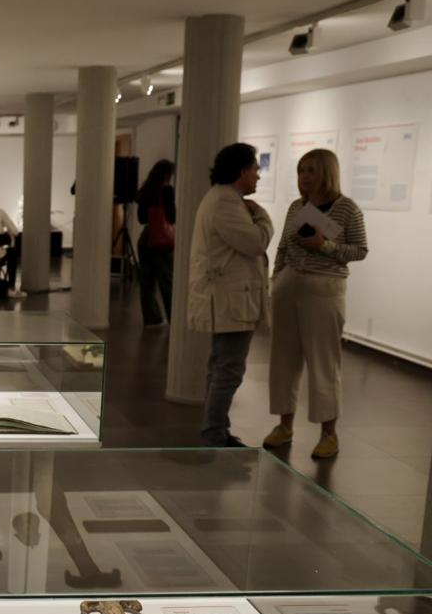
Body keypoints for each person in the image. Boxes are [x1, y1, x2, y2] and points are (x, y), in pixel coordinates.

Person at [263, 149, 368, 459]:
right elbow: (283, 246)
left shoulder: (347, 209)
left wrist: (325, 244)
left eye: (310, 170)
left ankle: (328, 434)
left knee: (324, 362)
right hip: (289, 285)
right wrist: (277, 278)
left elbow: (360, 250)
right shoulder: (298, 206)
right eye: (300, 171)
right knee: (283, 359)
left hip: (325, 287)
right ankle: (284, 425)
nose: (304, 177)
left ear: (327, 173)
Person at [186, 142, 274, 448]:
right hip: (231, 301)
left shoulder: (223, 199)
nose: (258, 177)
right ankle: (214, 432)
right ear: (241, 171)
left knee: (221, 365)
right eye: (255, 170)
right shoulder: (226, 202)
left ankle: (217, 427)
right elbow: (254, 242)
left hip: (229, 299)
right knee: (229, 368)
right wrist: (263, 217)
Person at [135, 160, 176, 326]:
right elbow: (172, 217)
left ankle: (151, 318)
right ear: (167, 175)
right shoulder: (166, 190)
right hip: (161, 239)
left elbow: (141, 219)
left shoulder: (145, 190)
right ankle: (173, 317)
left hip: (145, 237)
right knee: (166, 280)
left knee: (147, 281)